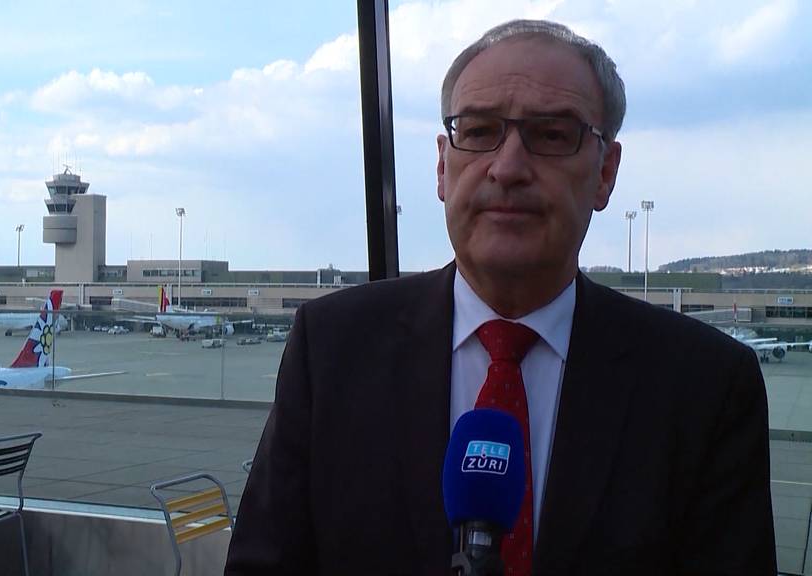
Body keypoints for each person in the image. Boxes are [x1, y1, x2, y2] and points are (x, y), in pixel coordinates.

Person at [225, 19, 776, 576]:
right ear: (443, 166)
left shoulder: (705, 385)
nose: (508, 167)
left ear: (606, 173)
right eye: (480, 130)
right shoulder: (332, 347)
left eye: (553, 135)